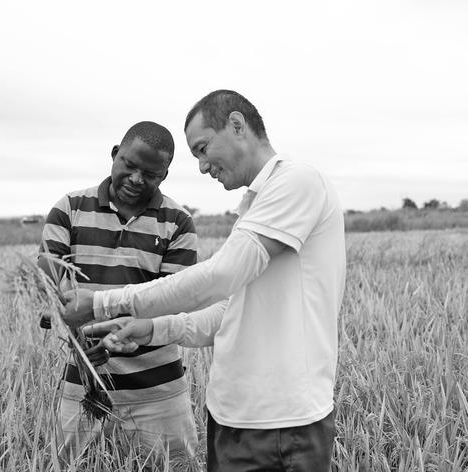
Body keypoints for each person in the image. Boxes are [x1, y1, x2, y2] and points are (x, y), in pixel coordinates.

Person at [64, 90, 346, 471]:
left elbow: (220, 275)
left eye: (202, 148)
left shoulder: (298, 182)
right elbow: (228, 314)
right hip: (232, 419)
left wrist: (102, 302)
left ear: (236, 125)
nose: (200, 166)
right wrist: (150, 329)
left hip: (283, 422)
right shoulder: (255, 205)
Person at [37, 121, 200, 460]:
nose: (137, 179)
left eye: (151, 174)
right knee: (73, 465)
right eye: (130, 165)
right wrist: (69, 322)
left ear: (164, 175)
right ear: (115, 154)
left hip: (157, 390)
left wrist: (113, 331)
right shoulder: (70, 208)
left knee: (173, 466)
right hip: (84, 380)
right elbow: (50, 280)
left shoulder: (177, 222)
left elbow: (173, 301)